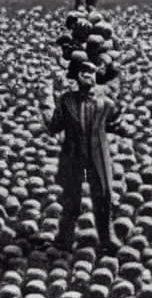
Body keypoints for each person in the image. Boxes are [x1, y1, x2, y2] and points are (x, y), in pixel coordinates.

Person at [39, 61, 121, 254]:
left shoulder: (106, 104)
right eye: (83, 71)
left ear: (96, 77)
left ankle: (107, 238)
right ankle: (64, 239)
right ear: (76, 77)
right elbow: (53, 126)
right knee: (71, 199)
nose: (87, 75)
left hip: (98, 156)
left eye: (91, 71)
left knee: (103, 197)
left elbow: (114, 121)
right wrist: (46, 102)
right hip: (73, 155)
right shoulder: (66, 101)